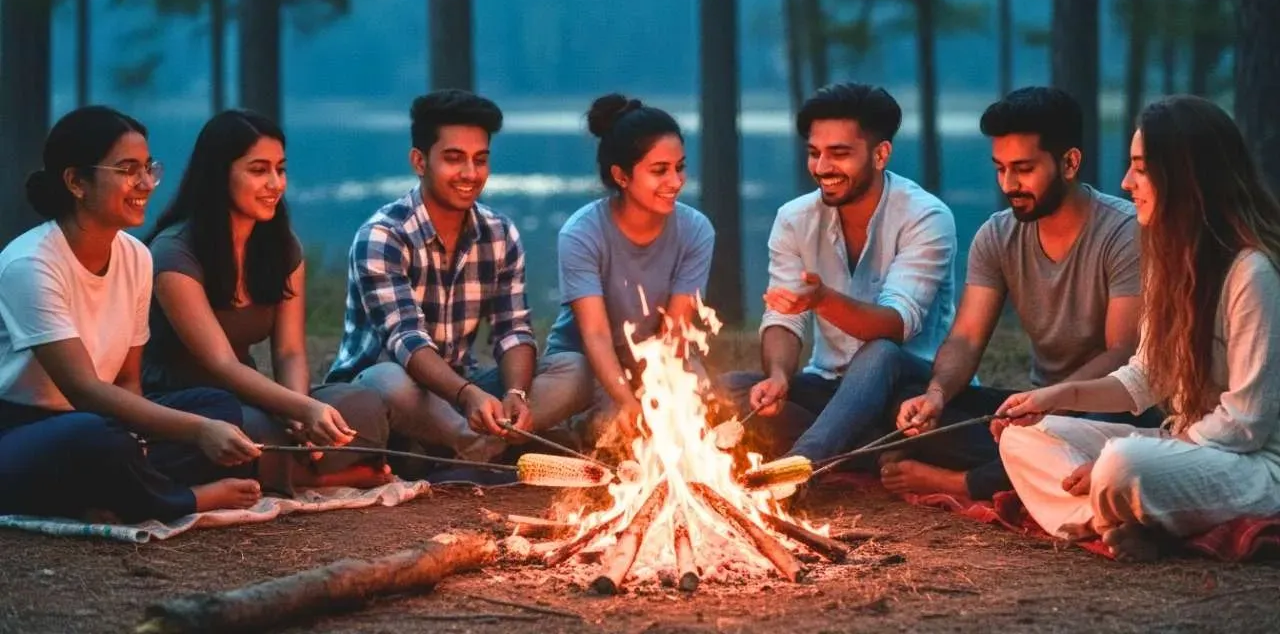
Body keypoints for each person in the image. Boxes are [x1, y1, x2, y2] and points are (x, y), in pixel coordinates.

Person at [996, 95, 1280, 561]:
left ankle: (1102, 514)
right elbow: (1144, 379)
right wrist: (1057, 397)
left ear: (1187, 177)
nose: (1126, 183)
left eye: (1141, 168)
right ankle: (1122, 517)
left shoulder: (1251, 272)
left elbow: (1245, 424)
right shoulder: (1169, 262)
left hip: (1254, 466)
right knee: (1024, 437)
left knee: (1122, 463)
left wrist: (1116, 462)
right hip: (1184, 443)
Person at [883, 86, 1159, 501]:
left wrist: (1050, 402)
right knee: (912, 405)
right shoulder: (996, 235)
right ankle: (1019, 467)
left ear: (1069, 162)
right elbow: (966, 338)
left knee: (1114, 442)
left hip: (1107, 402)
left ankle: (962, 483)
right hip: (1031, 409)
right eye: (1000, 168)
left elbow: (1121, 352)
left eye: (1024, 169)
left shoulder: (1123, 233)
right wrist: (936, 396)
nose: (1009, 184)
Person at [0, 106, 262, 523]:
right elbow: (84, 390)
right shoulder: (31, 265)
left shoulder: (136, 257)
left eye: (148, 168)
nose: (145, 183)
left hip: (102, 423)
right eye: (127, 170)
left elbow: (127, 381)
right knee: (96, 438)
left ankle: (117, 490)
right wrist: (194, 431)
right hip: (24, 431)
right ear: (76, 182)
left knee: (217, 407)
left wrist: (144, 437)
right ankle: (183, 499)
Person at [327, 90, 592, 469]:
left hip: (463, 391)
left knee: (575, 370)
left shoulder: (499, 232)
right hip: (393, 388)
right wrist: (466, 396)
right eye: (454, 159)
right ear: (420, 161)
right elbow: (407, 341)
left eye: (480, 160)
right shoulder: (384, 235)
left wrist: (515, 392)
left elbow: (513, 330)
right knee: (387, 381)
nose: (470, 174)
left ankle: (473, 442)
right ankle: (480, 445)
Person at [143, 110, 391, 496]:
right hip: (189, 406)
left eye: (280, 169)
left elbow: (290, 351)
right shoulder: (174, 254)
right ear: (219, 174)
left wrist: (301, 412)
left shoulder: (281, 246)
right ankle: (318, 476)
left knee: (365, 404)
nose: (275, 183)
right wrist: (298, 410)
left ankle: (290, 466)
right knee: (251, 430)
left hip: (251, 396)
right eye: (258, 170)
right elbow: (221, 364)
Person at [721, 82, 957, 462]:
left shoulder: (925, 217)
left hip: (911, 390)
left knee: (879, 353)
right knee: (726, 390)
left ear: (881, 155)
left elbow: (895, 327)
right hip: (830, 388)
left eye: (839, 154)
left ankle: (804, 463)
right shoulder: (795, 219)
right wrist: (780, 375)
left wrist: (822, 300)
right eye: (814, 153)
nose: (823, 167)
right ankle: (862, 446)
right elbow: (783, 318)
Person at [544, 94, 715, 444]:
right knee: (612, 427)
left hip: (654, 358)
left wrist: (659, 395)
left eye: (679, 167)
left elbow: (675, 332)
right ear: (621, 176)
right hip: (587, 362)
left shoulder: (696, 231)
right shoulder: (582, 233)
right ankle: (571, 427)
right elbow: (596, 335)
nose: (675, 181)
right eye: (659, 171)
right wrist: (626, 402)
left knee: (696, 403)